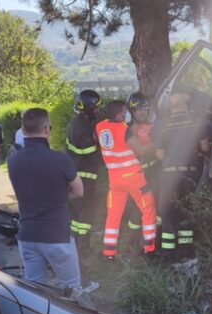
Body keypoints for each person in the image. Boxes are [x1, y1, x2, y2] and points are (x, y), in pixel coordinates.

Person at [8, 108, 85, 293]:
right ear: (46, 129)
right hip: (57, 235)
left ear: (23, 131)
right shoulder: (60, 159)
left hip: (27, 236)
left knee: (35, 292)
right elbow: (78, 191)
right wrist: (58, 196)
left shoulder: (13, 160)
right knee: (72, 291)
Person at [95, 100, 157, 260]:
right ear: (119, 114)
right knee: (148, 209)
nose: (127, 114)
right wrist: (159, 142)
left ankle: (108, 253)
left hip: (114, 179)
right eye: (125, 111)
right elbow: (141, 149)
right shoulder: (125, 130)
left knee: (113, 215)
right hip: (133, 178)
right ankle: (149, 248)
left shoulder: (100, 126)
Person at [153, 93, 210, 263]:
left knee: (168, 213)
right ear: (187, 103)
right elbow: (205, 148)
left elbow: (160, 155)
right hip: (188, 174)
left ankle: (168, 254)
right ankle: (186, 251)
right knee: (186, 212)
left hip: (169, 174)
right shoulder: (196, 123)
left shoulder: (164, 126)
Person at [66, 89, 103, 257]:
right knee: (87, 211)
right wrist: (102, 144)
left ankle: (76, 245)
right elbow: (88, 149)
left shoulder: (81, 122)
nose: (97, 110)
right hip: (83, 176)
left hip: (79, 175)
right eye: (95, 108)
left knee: (76, 213)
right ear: (87, 107)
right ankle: (84, 247)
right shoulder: (79, 126)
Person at [123, 92, 161, 245]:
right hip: (136, 176)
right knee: (136, 210)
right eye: (139, 110)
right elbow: (139, 150)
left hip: (153, 173)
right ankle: (132, 245)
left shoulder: (153, 127)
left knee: (154, 207)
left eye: (145, 109)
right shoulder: (127, 130)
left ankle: (151, 242)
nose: (143, 113)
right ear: (132, 111)